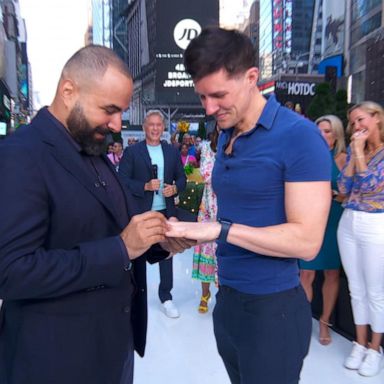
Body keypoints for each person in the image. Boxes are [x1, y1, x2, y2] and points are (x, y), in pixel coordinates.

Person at [0, 45, 190, 384]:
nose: (117, 124)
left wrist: (160, 241)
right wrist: (120, 249)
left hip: (110, 351)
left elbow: (114, 223)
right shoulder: (20, 156)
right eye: (109, 110)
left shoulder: (90, 146)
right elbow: (11, 271)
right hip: (56, 361)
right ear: (68, 91)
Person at [166, 27, 332, 384]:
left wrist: (219, 230)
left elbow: (306, 241)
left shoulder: (299, 137)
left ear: (252, 77)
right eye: (202, 97)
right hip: (229, 302)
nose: (209, 108)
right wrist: (184, 236)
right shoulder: (228, 133)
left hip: (273, 311)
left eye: (219, 95)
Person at [119, 110, 187, 318]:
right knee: (137, 255)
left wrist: (175, 189)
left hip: (165, 212)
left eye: (159, 125)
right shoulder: (132, 152)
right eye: (151, 124)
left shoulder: (172, 152)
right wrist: (145, 186)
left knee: (166, 254)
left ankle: (166, 297)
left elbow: (182, 179)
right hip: (141, 213)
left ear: (163, 128)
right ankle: (133, 296)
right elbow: (121, 181)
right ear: (144, 127)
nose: (156, 128)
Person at [337, 101, 384, 377]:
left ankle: (375, 349)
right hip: (348, 223)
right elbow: (344, 188)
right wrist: (355, 155)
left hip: (376, 224)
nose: (357, 126)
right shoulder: (358, 151)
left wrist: (358, 153)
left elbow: (369, 187)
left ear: (377, 119)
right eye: (353, 122)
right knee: (356, 288)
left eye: (361, 120)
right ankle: (360, 342)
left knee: (375, 291)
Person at [300, 115, 347, 346]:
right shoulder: (308, 156)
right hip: (311, 219)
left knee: (330, 273)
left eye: (327, 131)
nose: (322, 135)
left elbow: (355, 192)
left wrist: (334, 195)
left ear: (336, 134)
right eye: (319, 131)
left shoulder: (343, 159)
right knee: (306, 274)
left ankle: (324, 322)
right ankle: (302, 323)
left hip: (335, 220)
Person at [192, 126, 219, 313]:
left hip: (232, 208)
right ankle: (205, 294)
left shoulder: (241, 145)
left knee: (227, 252)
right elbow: (206, 173)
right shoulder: (208, 147)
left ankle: (225, 296)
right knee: (206, 250)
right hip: (209, 208)